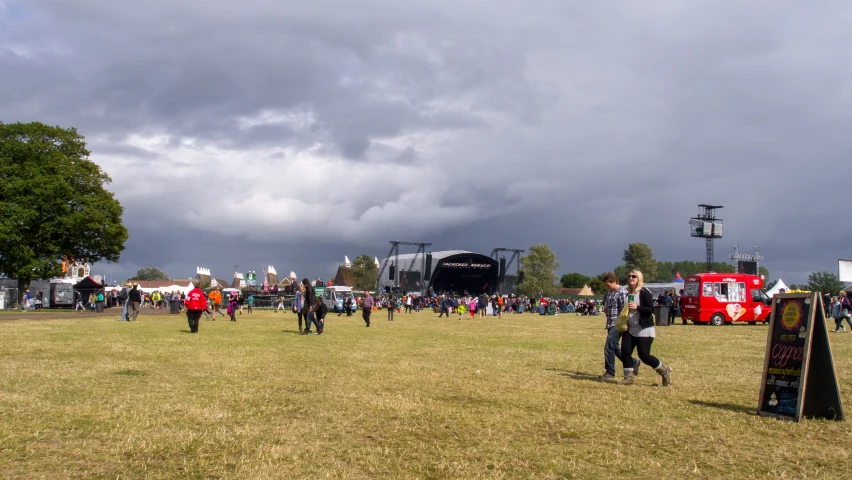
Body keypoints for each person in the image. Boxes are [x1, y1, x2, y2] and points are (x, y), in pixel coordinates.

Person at [618, 270, 673, 386]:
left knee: (644, 356)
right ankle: (628, 378)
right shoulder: (628, 293)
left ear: (639, 279)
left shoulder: (644, 292)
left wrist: (638, 307)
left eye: (634, 276)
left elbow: (650, 310)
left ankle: (664, 370)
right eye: (629, 276)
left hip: (644, 329)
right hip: (629, 329)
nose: (631, 278)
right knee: (625, 352)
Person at [600, 272, 638, 381]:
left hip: (617, 324)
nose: (606, 286)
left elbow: (624, 309)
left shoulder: (622, 292)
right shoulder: (609, 292)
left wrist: (625, 323)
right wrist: (606, 308)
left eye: (608, 284)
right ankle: (634, 362)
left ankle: (610, 372)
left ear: (614, 281)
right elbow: (607, 304)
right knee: (615, 348)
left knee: (608, 347)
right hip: (610, 322)